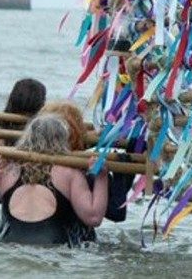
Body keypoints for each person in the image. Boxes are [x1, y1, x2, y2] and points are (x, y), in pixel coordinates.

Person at [0, 114, 109, 246]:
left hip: (8, 247)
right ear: (63, 140)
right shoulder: (70, 174)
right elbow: (93, 217)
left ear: (26, 137)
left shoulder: (5, 168)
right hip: (55, 251)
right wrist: (101, 177)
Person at [40, 99, 136, 231]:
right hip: (77, 243)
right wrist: (123, 168)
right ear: (78, 133)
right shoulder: (82, 172)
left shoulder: (26, 165)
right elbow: (116, 212)